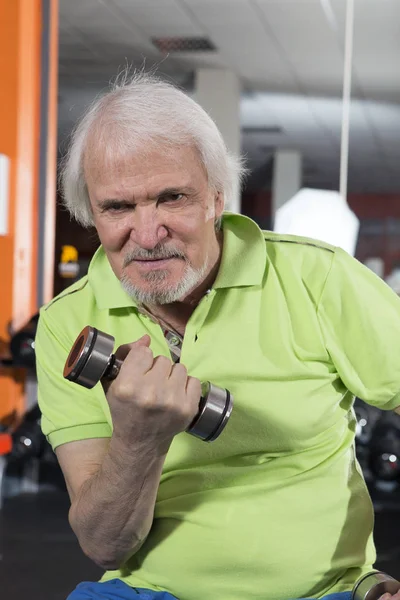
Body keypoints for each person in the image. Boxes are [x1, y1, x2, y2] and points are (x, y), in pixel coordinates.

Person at [35, 71, 400, 600]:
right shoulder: (68, 324)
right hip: (150, 592)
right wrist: (141, 439)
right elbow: (103, 545)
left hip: (324, 591)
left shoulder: (317, 278)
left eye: (172, 198)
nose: (147, 233)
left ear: (216, 197)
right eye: (118, 207)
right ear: (92, 213)